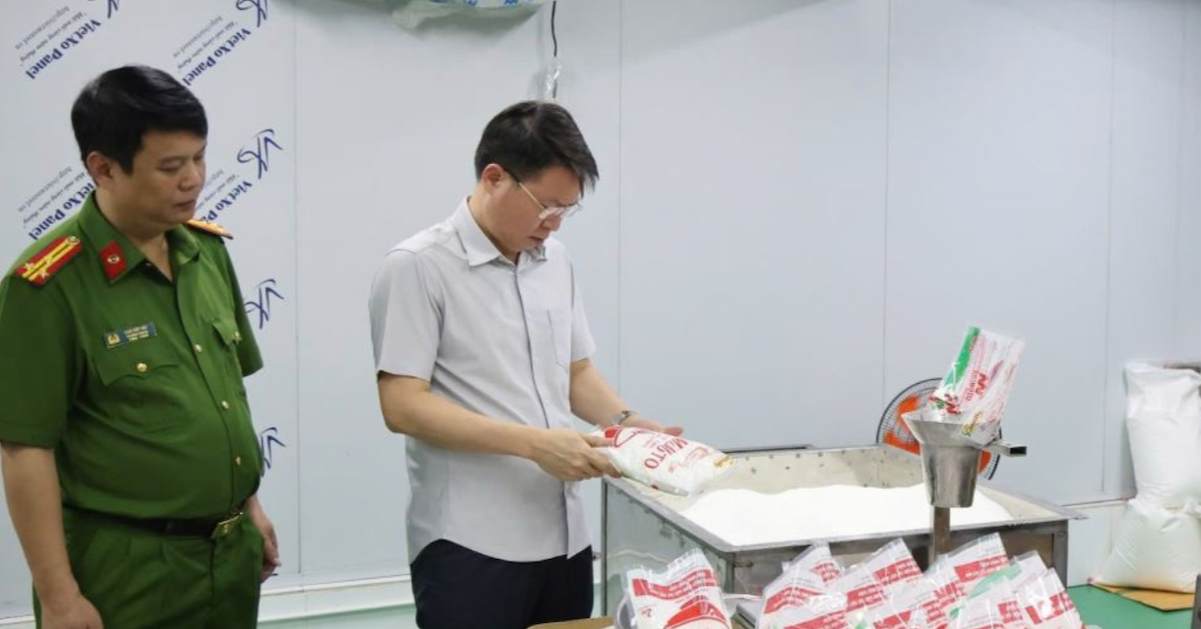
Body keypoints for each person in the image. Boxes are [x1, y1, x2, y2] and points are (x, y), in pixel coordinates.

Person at [369, 101, 681, 629]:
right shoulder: (418, 267)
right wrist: (536, 444)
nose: (553, 224)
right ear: (494, 178)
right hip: (469, 543)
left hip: (564, 538)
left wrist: (629, 426)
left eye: (567, 210)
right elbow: (402, 406)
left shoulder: (555, 261)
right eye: (546, 206)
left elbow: (576, 373)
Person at [0, 65, 279, 629]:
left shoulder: (206, 253)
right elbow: (25, 450)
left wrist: (247, 506)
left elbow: (225, 398)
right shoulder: (46, 285)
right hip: (126, 570)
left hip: (229, 556)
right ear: (103, 168)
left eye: (200, 157)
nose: (194, 179)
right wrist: (59, 598)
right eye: (171, 167)